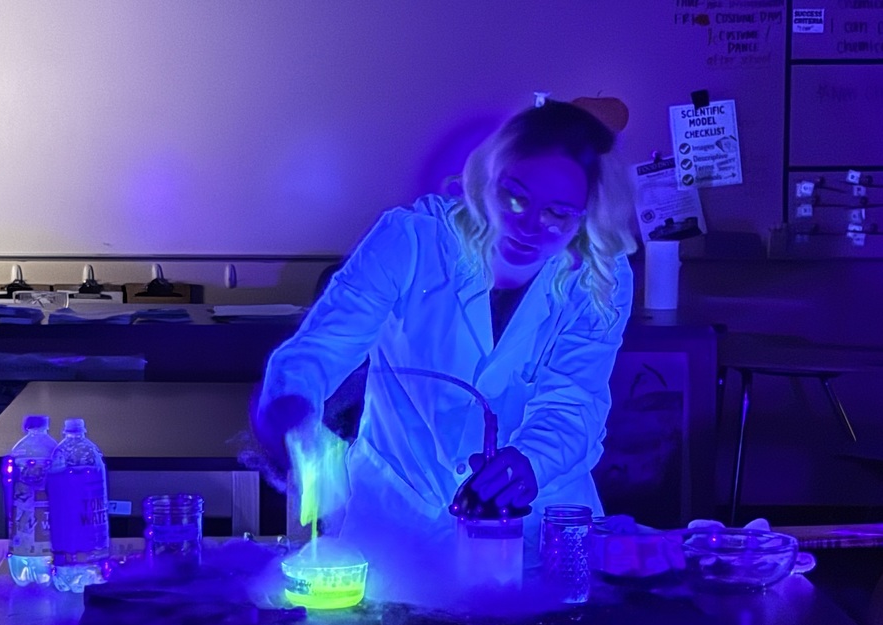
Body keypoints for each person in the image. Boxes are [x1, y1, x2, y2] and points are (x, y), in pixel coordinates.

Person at [251, 98, 636, 591]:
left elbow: (573, 399)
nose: (527, 226)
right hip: (397, 518)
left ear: (587, 216)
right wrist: (291, 404)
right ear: (489, 177)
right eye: (514, 198)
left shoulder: (600, 276)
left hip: (535, 527)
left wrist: (530, 461)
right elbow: (322, 347)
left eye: (557, 215)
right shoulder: (412, 240)